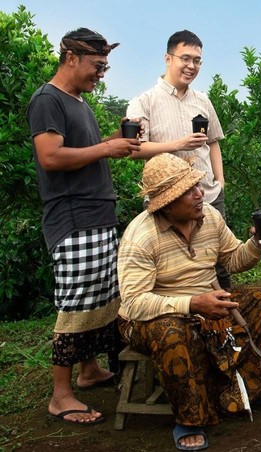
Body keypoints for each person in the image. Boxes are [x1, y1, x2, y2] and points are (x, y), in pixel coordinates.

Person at [117, 153, 261, 451]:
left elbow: (233, 260)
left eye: (197, 186)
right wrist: (192, 304)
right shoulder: (140, 237)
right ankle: (190, 419)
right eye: (189, 191)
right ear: (166, 203)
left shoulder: (209, 216)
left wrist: (258, 242)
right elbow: (133, 304)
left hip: (207, 301)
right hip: (154, 316)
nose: (199, 195)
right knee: (171, 333)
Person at [27, 28, 141, 426]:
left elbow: (84, 152)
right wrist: (108, 148)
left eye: (105, 67)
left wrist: (115, 139)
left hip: (96, 214)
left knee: (102, 297)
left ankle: (89, 370)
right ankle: (60, 395)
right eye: (97, 66)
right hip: (72, 218)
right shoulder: (47, 100)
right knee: (76, 304)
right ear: (71, 57)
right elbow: (51, 157)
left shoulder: (79, 103)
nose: (101, 75)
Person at [126, 29, 231, 290]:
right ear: (168, 58)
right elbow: (134, 149)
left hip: (208, 194)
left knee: (219, 262)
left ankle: (225, 322)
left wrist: (220, 180)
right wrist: (179, 144)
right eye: (185, 58)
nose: (191, 66)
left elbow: (213, 141)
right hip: (168, 200)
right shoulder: (144, 102)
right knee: (172, 266)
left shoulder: (203, 100)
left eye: (197, 60)